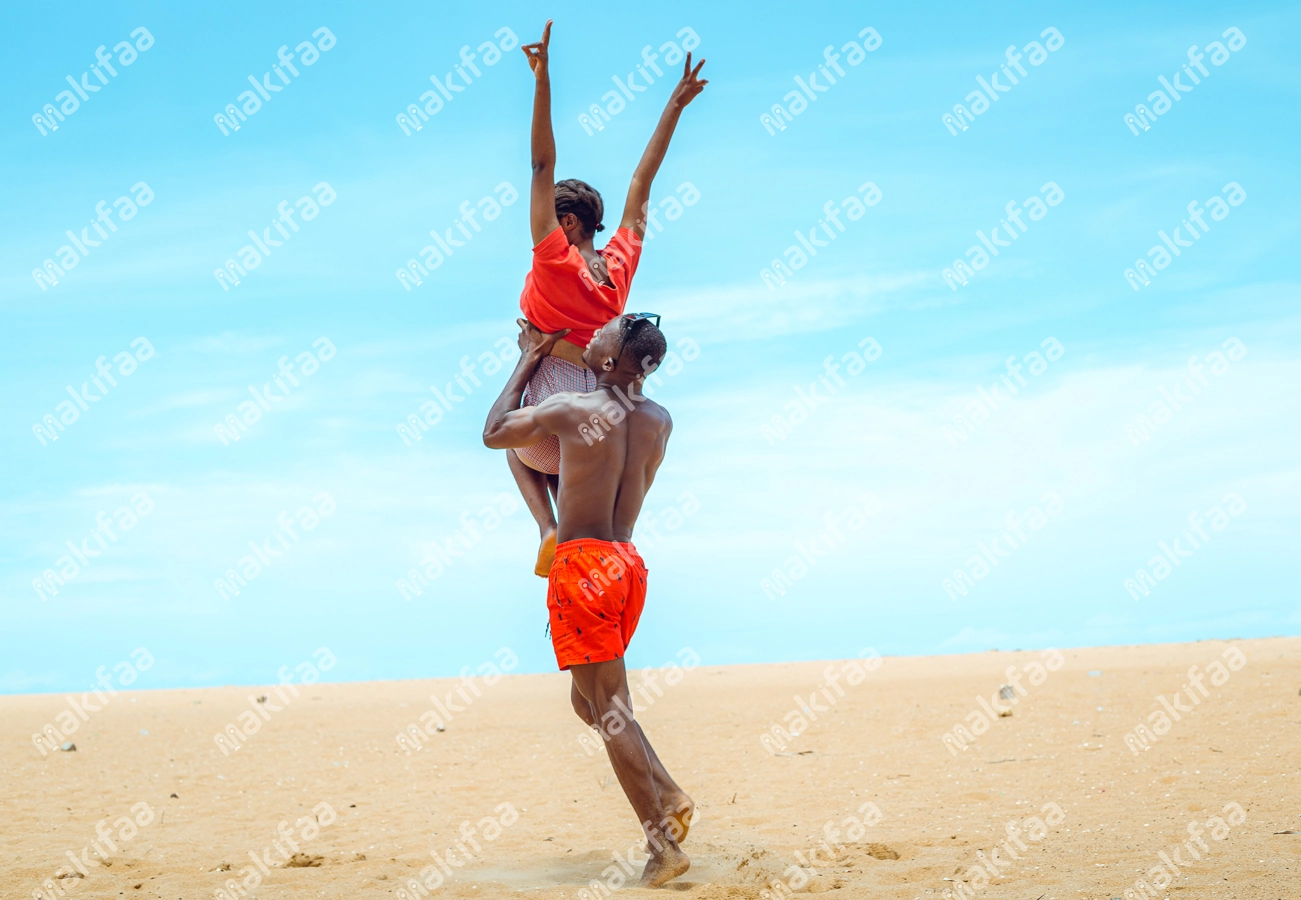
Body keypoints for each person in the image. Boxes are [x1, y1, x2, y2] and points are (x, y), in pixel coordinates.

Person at [483, 313, 695, 888]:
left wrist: (531, 356)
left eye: (597, 340)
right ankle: (670, 794)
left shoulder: (575, 410)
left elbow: (495, 431)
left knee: (608, 706)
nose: (590, 338)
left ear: (605, 362)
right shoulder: (659, 421)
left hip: (583, 566)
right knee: (590, 703)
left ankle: (662, 845)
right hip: (626, 564)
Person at [509, 18, 707, 576]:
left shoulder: (552, 256)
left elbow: (540, 164)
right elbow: (642, 185)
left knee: (510, 442)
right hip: (602, 423)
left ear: (566, 222)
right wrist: (675, 106)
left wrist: (542, 77)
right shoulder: (619, 267)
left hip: (551, 426)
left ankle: (547, 527)